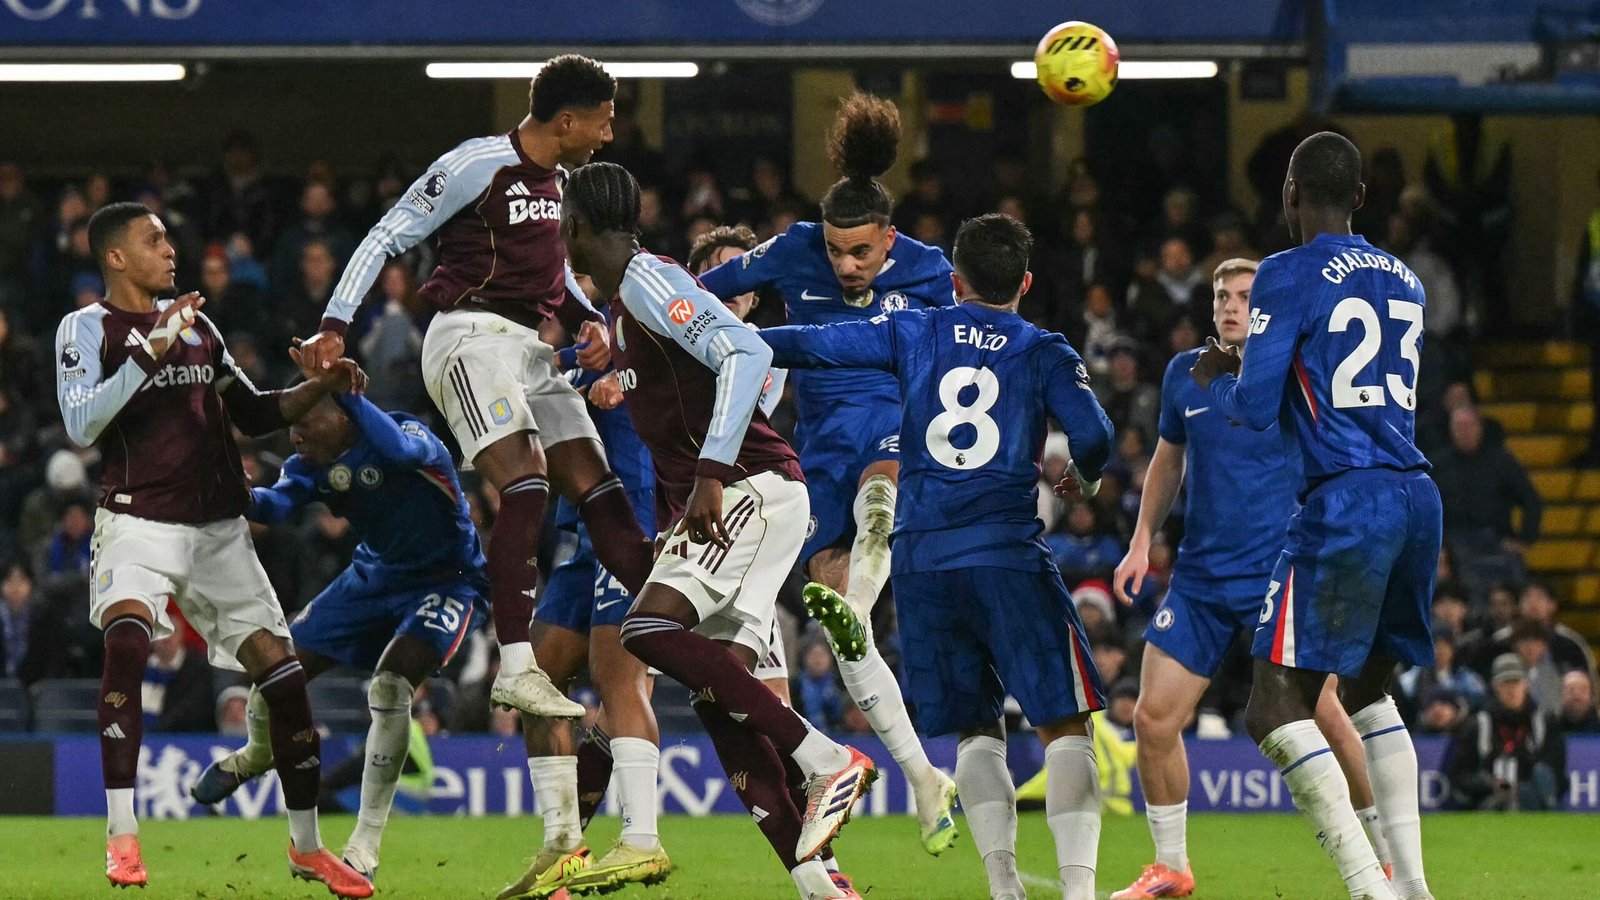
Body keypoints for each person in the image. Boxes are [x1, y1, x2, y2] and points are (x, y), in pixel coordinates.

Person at [294, 55, 657, 722]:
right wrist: (335, 324)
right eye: (603, 122)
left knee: (601, 489)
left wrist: (589, 320)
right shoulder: (476, 164)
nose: (609, 135)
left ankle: (671, 621)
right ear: (566, 121)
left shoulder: (560, 185)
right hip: (467, 337)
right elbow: (386, 236)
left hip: (528, 348)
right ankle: (516, 666)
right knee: (527, 481)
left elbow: (554, 277)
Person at [763, 213, 1115, 900]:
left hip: (924, 564)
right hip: (1007, 552)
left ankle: (1004, 887)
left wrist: (722, 339)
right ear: (1026, 283)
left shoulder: (915, 328)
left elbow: (812, 343)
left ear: (954, 281)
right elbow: (1094, 436)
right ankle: (1078, 892)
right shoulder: (1043, 350)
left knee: (976, 728)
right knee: (1066, 726)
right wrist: (1086, 476)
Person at [561, 161, 875, 900]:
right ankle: (817, 882)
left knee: (646, 630)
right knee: (718, 695)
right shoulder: (623, 309)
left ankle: (825, 758)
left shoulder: (648, 280)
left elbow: (747, 350)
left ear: (577, 226)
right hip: (739, 501)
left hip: (750, 489)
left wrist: (709, 471)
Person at [55, 202, 370, 896]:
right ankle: (122, 838)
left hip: (218, 528)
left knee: (284, 679)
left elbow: (253, 411)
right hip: (137, 521)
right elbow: (82, 423)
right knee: (128, 644)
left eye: (170, 238)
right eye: (154, 240)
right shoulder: (87, 328)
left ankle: (308, 848)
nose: (171, 249)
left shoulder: (199, 326)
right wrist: (149, 350)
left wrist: (319, 385)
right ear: (115, 257)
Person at [697, 93, 960, 854]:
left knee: (881, 501)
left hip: (891, 422)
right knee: (845, 631)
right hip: (817, 450)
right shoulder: (792, 249)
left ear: (890, 238)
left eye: (862, 254)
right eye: (837, 252)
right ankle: (923, 778)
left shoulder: (931, 271)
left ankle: (866, 599)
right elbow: (700, 294)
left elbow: (971, 343)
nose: (846, 266)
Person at [1191, 132, 1439, 900]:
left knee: (1274, 705)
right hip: (1416, 496)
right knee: (1366, 691)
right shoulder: (1406, 278)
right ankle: (1414, 886)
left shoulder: (1286, 271)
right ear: (1360, 197)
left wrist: (1218, 375)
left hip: (1348, 499)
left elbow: (1256, 406)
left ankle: (1370, 888)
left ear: (1290, 194)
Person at [1110, 258, 1392, 900]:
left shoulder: (1298, 370)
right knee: (1153, 719)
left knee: (1324, 712)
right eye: (1222, 296)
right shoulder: (1185, 374)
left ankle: (1387, 858)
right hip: (1202, 578)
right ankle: (1171, 867)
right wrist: (1141, 540)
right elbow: (1168, 460)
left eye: (1244, 296)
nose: (1231, 306)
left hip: (1281, 571)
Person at [188, 382, 490, 883]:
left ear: (343, 416)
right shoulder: (308, 465)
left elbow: (401, 451)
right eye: (293, 424)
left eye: (306, 420)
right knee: (276, 674)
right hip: (372, 578)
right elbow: (275, 506)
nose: (295, 433)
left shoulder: (407, 433)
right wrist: (231, 490)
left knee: (390, 687)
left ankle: (364, 843)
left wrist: (344, 390)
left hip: (448, 582)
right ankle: (257, 754)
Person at [497, 269, 667, 900]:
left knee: (617, 673)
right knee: (539, 682)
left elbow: (668, 373)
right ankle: (563, 846)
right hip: (579, 534)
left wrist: (625, 376)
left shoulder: (631, 324)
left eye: (577, 272)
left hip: (632, 518)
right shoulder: (557, 352)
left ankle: (643, 838)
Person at [1443, 653, 1566, 810]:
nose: (1511, 690)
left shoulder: (1544, 723)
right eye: (1505, 683)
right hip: (1488, 801)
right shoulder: (1478, 725)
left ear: (1526, 684)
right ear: (1495, 686)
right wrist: (1489, 784)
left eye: (1516, 682)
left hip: (1533, 801)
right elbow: (1459, 775)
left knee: (1541, 776)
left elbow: (1556, 774)